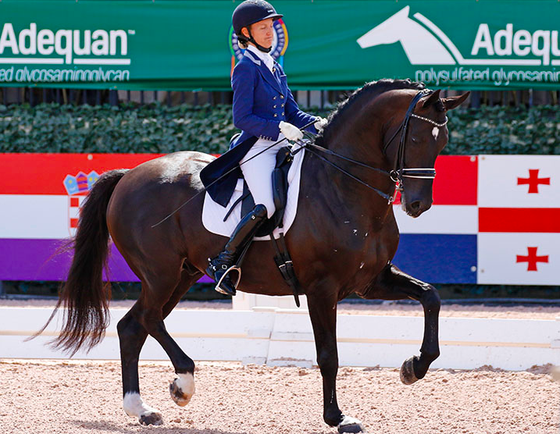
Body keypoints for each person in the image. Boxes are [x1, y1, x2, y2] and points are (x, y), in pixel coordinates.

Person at [204, 0, 327, 296]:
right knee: (267, 205)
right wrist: (277, 128)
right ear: (245, 33)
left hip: (284, 143)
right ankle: (223, 262)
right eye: (262, 27)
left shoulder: (273, 65)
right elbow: (241, 118)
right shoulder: (245, 68)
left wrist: (319, 124)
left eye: (271, 26)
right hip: (256, 147)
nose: (270, 32)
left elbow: (293, 112)